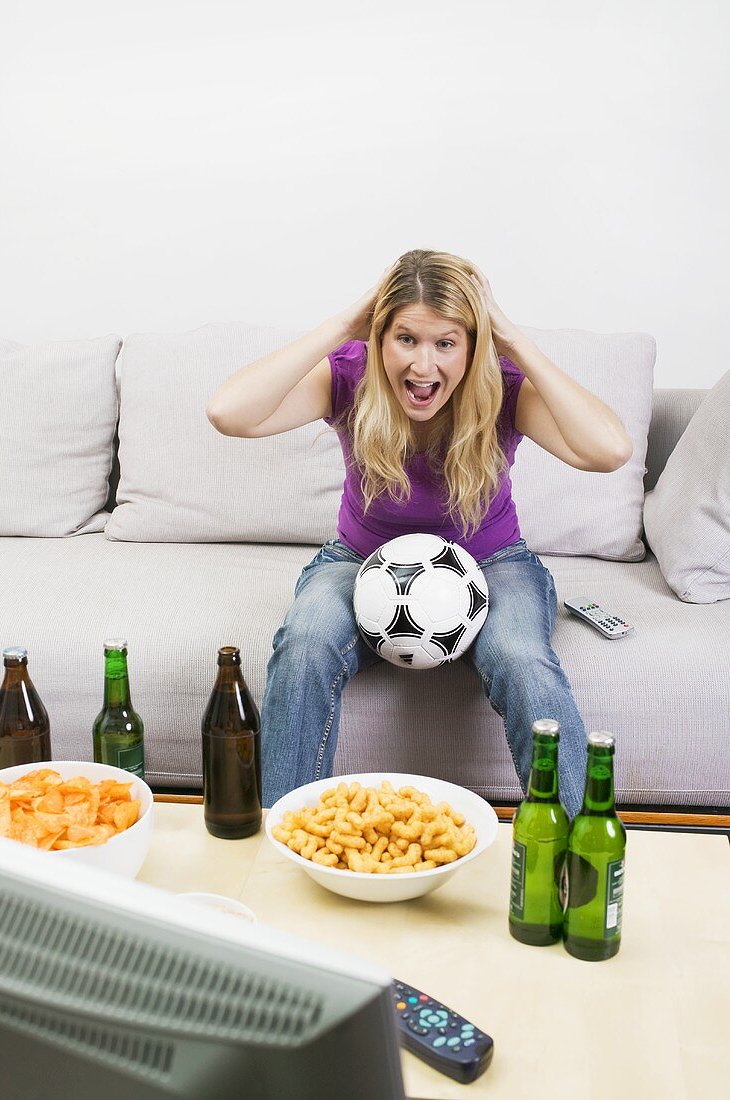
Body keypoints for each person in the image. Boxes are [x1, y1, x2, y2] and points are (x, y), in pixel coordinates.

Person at [206, 250, 633, 817]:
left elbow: (610, 451)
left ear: (473, 346)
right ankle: (289, 840)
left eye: (447, 343)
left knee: (520, 656)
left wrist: (514, 341)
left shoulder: (500, 386)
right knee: (305, 644)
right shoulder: (351, 377)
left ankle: (581, 846)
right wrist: (340, 327)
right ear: (380, 337)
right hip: (361, 561)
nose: (423, 366)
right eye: (405, 338)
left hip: (492, 563)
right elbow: (228, 412)